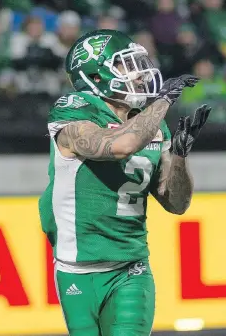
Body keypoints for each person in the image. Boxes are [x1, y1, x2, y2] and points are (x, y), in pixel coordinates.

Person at [39, 29, 211, 336]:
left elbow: (176, 203)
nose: (139, 73)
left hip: (130, 266)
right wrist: (163, 103)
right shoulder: (75, 109)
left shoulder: (151, 124)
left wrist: (181, 156)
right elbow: (118, 145)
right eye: (125, 65)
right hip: (76, 268)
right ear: (95, 73)